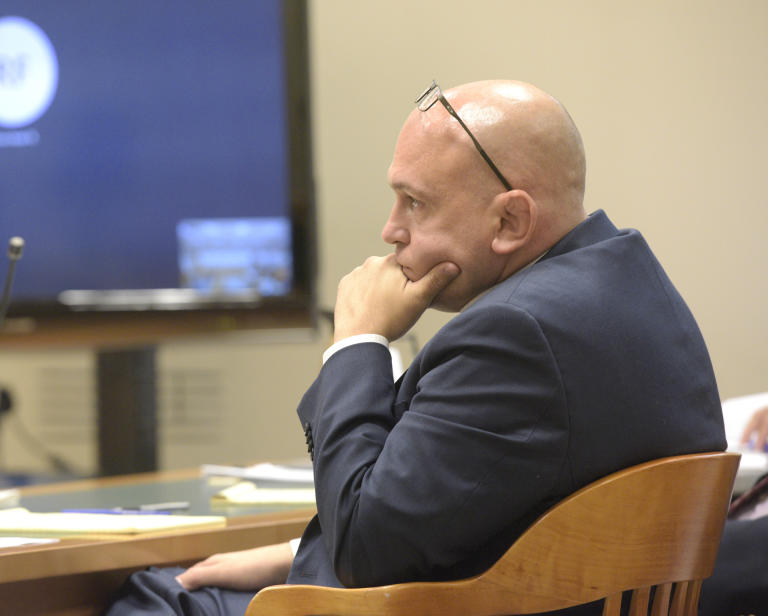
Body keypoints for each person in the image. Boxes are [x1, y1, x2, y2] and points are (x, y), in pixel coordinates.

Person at [105, 79, 727, 616]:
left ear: (510, 221)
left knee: (158, 596)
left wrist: (356, 343)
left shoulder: (514, 336)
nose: (390, 230)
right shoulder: (635, 291)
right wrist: (298, 553)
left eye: (415, 203)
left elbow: (366, 553)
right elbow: (493, 511)